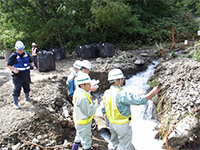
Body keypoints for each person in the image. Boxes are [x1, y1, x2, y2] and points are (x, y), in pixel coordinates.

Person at [103, 68, 159, 150]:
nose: (123, 81)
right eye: (122, 79)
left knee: (113, 144)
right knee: (125, 147)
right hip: (122, 126)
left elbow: (104, 109)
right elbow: (140, 101)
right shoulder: (122, 94)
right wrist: (153, 92)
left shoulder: (107, 93)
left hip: (112, 124)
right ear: (117, 80)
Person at [72, 73, 99, 150]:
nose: (90, 85)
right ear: (82, 85)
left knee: (78, 137)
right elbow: (89, 112)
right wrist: (96, 105)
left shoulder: (78, 92)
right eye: (88, 84)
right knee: (86, 142)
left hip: (79, 120)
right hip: (84, 123)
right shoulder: (82, 98)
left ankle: (75, 148)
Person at [7, 40, 37, 109]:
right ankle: (15, 103)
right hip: (18, 75)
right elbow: (9, 65)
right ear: (16, 49)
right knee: (17, 88)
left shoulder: (26, 54)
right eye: (19, 50)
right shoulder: (14, 55)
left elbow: (30, 61)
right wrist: (14, 70)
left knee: (27, 86)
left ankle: (27, 97)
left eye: (21, 49)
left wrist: (33, 66)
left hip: (26, 74)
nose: (20, 51)